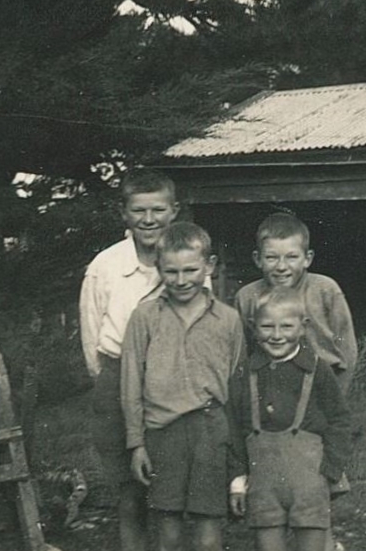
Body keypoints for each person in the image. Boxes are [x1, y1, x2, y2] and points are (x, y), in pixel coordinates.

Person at [120, 222, 245, 551]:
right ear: (158, 268)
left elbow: (236, 385)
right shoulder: (144, 317)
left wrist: (236, 455)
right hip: (163, 434)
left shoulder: (229, 320)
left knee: (208, 529)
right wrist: (137, 444)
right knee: (168, 527)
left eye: (191, 270)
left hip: (212, 432)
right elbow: (131, 383)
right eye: (171, 272)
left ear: (210, 266)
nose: (181, 280)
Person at [79, 169, 179, 551]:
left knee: (170, 486)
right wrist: (112, 383)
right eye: (139, 211)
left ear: (174, 211)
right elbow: (92, 335)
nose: (149, 220)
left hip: (171, 382)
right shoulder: (105, 267)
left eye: (158, 210)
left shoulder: (187, 259)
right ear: (124, 213)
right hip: (118, 378)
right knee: (129, 490)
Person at [228, 287, 351, 551]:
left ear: (303, 326)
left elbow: (340, 420)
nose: (276, 335)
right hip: (263, 483)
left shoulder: (317, 369)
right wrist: (238, 481)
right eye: (266, 326)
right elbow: (237, 429)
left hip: (309, 481)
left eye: (286, 326)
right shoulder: (246, 372)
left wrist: (330, 470)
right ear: (253, 327)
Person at [234, 212, 358, 396]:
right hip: (269, 388)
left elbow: (347, 347)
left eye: (292, 257)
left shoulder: (325, 289)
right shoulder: (247, 297)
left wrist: (338, 395)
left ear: (307, 258)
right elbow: (241, 353)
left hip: (321, 385)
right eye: (271, 257)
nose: (282, 267)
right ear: (257, 259)